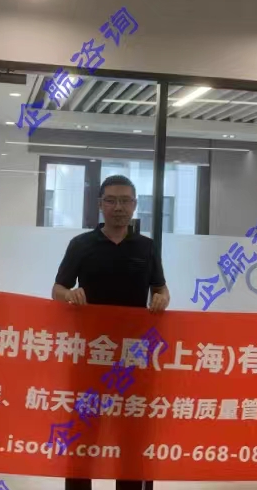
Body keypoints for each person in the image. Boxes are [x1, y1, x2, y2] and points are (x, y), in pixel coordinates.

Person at [52, 174, 170, 490]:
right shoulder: (81, 245)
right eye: (111, 200)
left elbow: (161, 288)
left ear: (134, 205)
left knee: (131, 435)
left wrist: (162, 298)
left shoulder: (146, 247)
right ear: (100, 204)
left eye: (125, 201)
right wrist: (70, 295)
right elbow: (57, 289)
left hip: (133, 356)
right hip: (90, 354)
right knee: (83, 434)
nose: (119, 207)